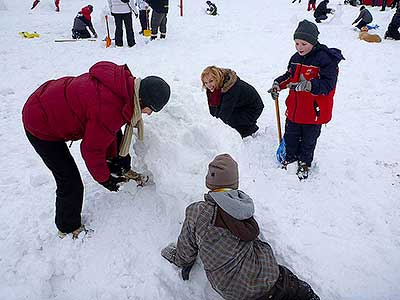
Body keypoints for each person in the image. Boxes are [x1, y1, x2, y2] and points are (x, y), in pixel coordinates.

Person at [22, 61, 171, 238]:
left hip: (49, 98)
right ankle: (68, 227)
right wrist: (104, 179)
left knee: (114, 133)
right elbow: (91, 150)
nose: (148, 114)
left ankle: (119, 170)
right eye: (151, 109)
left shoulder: (123, 85)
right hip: (41, 122)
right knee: (70, 181)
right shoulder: (109, 109)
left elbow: (106, 131)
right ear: (141, 100)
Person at [161, 154, 321, 300]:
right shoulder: (243, 207)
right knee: (303, 293)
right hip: (271, 277)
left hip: (235, 291)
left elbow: (186, 249)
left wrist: (178, 258)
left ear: (210, 179)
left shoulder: (197, 212)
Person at [268, 20, 344, 180]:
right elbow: (289, 76)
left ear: (313, 41)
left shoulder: (325, 59)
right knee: (291, 136)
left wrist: (308, 85)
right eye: (296, 43)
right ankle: (290, 158)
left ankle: (304, 163)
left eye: (303, 43)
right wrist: (277, 85)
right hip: (294, 111)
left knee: (308, 141)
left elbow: (328, 84)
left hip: (313, 113)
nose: (299, 47)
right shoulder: (295, 58)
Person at [201, 66, 264, 138]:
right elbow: (213, 108)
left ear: (217, 78)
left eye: (211, 81)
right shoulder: (213, 88)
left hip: (252, 108)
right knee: (225, 116)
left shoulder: (232, 88)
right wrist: (212, 123)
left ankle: (248, 129)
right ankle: (244, 125)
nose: (208, 85)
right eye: (205, 82)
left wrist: (215, 132)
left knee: (230, 120)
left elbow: (224, 115)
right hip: (238, 105)